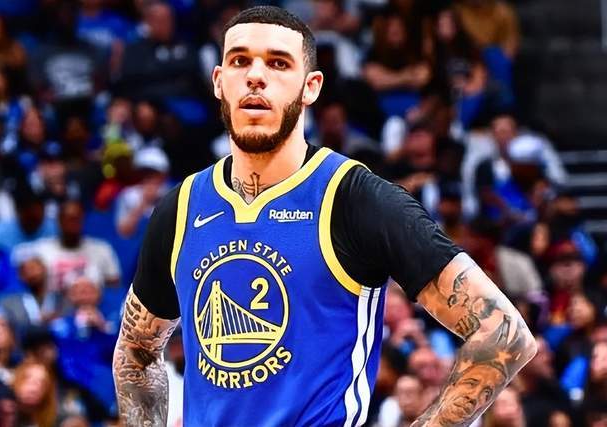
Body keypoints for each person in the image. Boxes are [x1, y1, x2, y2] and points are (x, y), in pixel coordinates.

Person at [112, 6, 536, 426]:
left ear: (311, 87)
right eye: (240, 61)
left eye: (278, 63)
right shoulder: (181, 206)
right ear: (219, 81)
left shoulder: (355, 198)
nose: (256, 75)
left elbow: (503, 333)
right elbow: (136, 351)